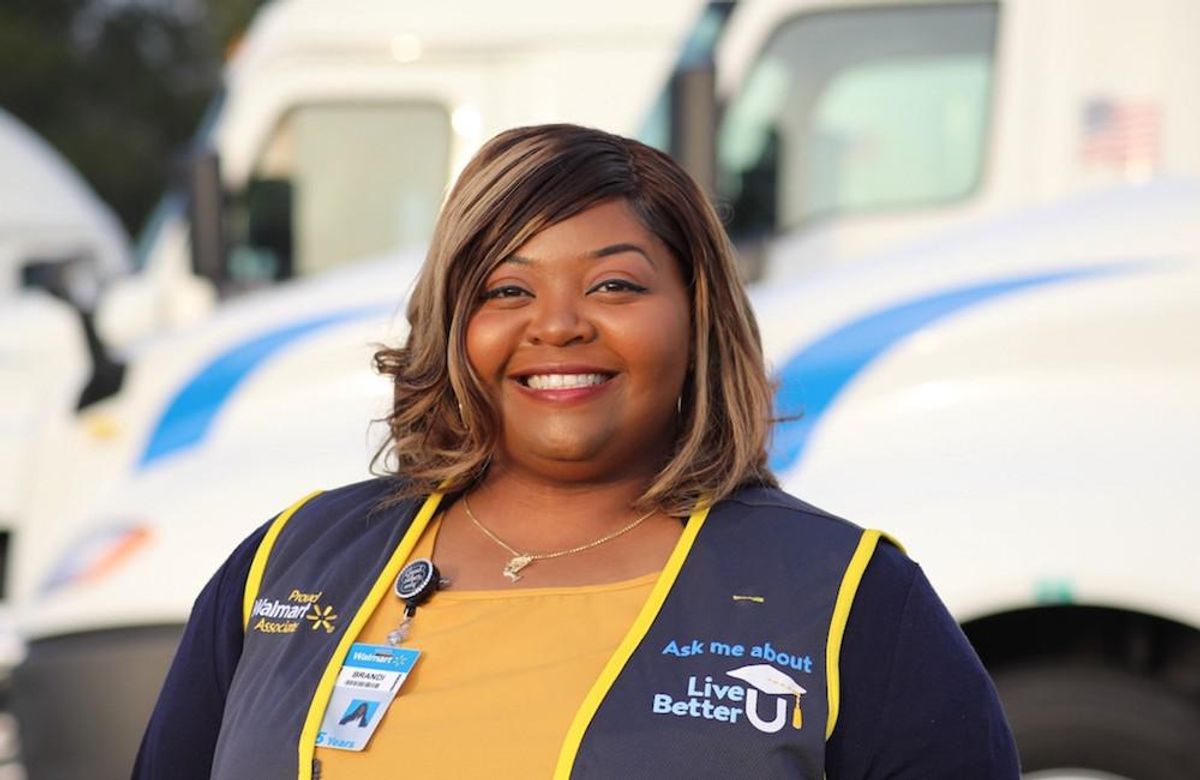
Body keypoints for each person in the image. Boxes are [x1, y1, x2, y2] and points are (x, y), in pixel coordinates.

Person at [134, 124, 1019, 779]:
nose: (557, 323)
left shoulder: (849, 599)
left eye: (614, 284)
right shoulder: (288, 567)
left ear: (698, 316)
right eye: (507, 288)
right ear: (454, 325)